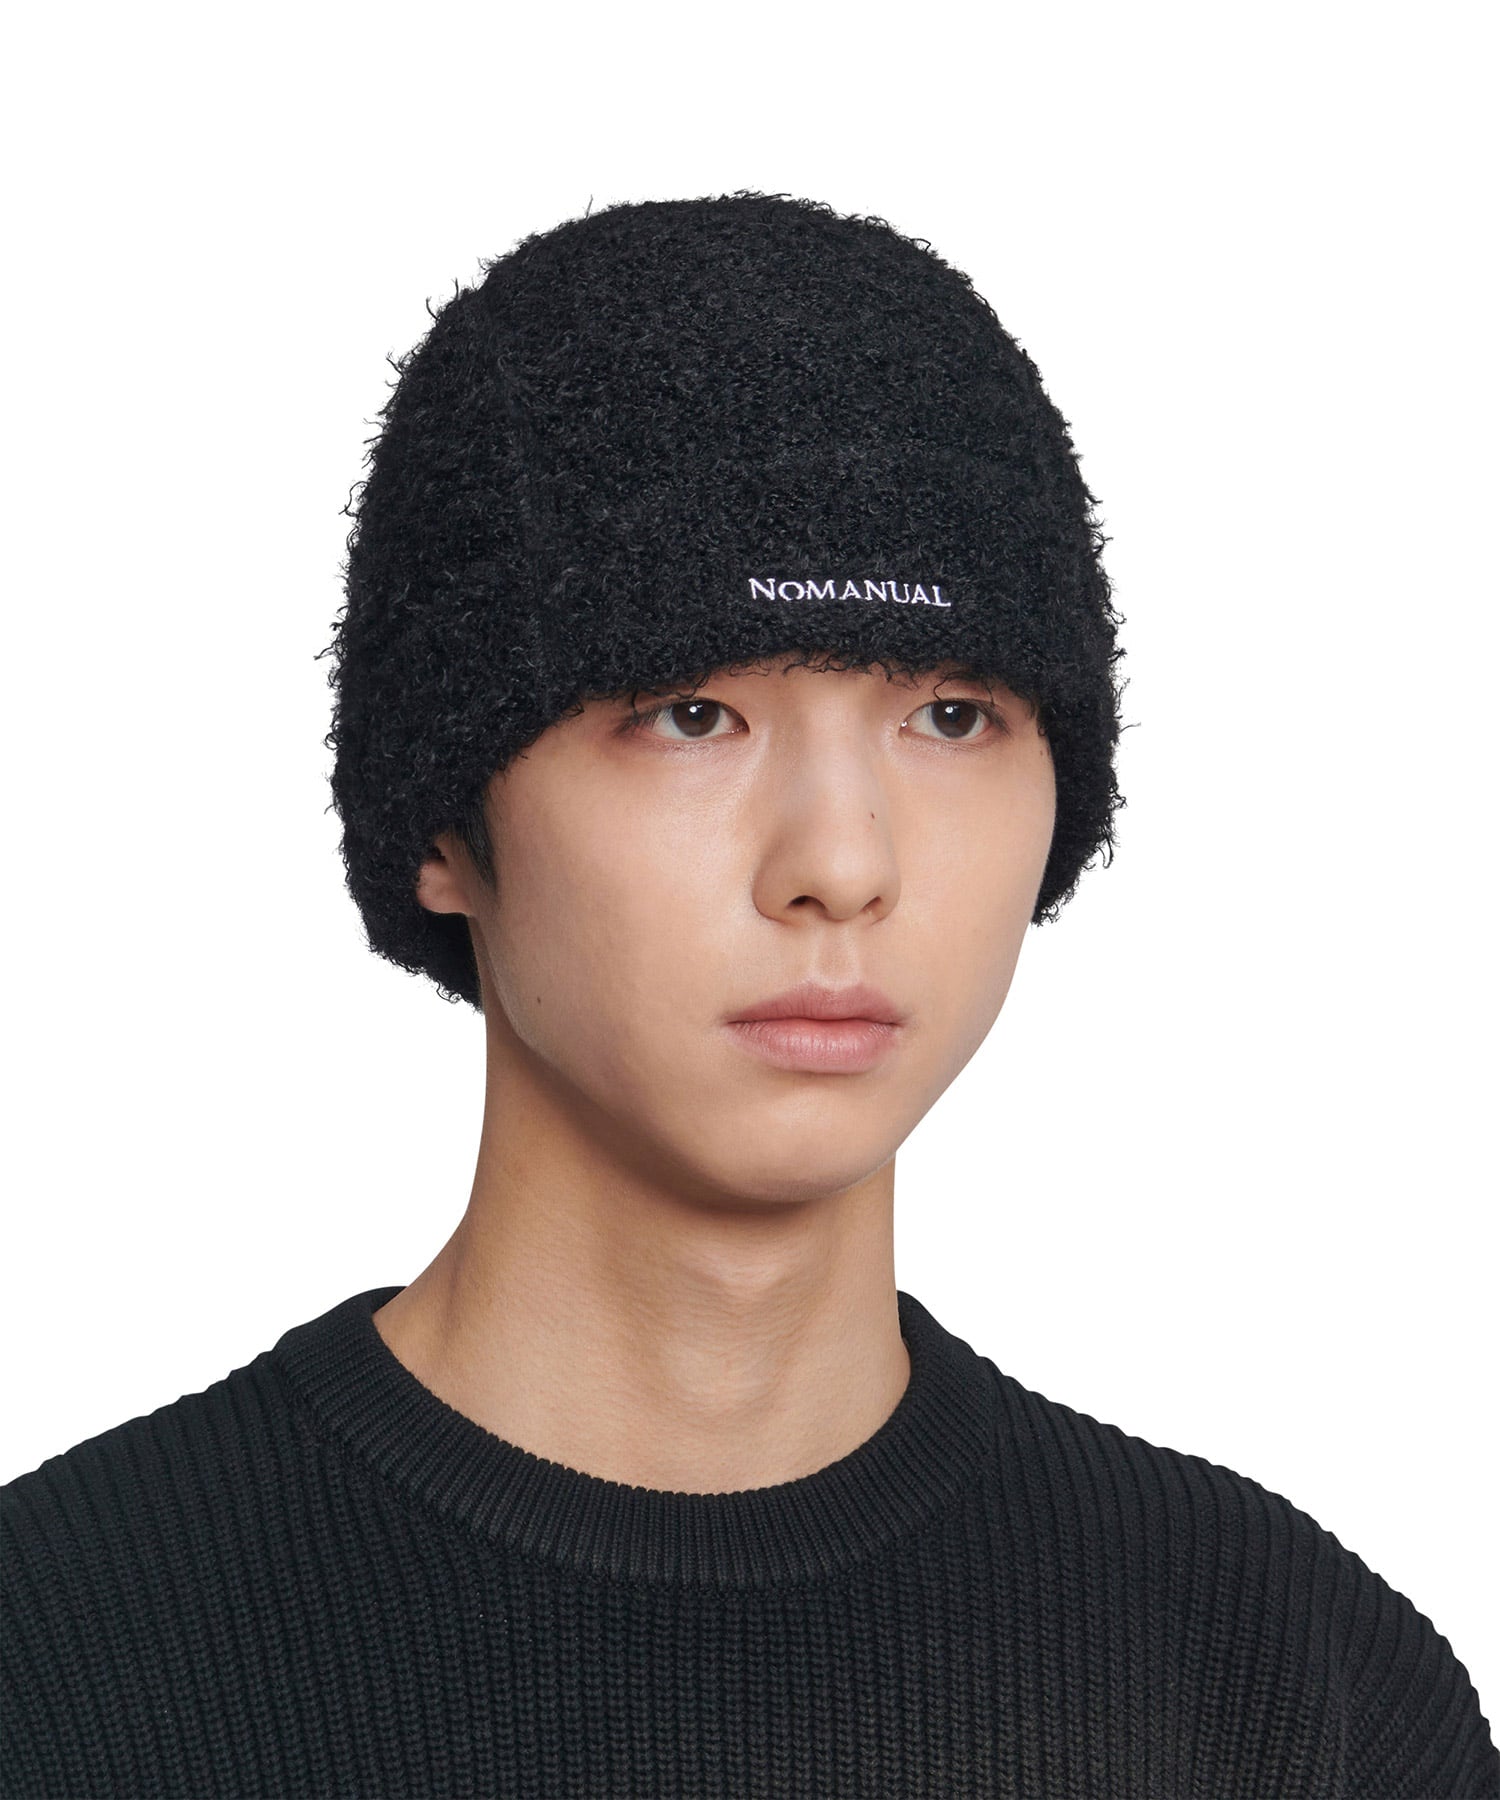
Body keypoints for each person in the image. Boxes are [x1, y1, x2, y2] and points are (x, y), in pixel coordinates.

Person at [2, 190, 1495, 1800]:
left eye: (952, 714)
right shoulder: (59, 1662)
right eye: (692, 712)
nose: (843, 863)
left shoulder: (1287, 1692)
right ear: (443, 818)